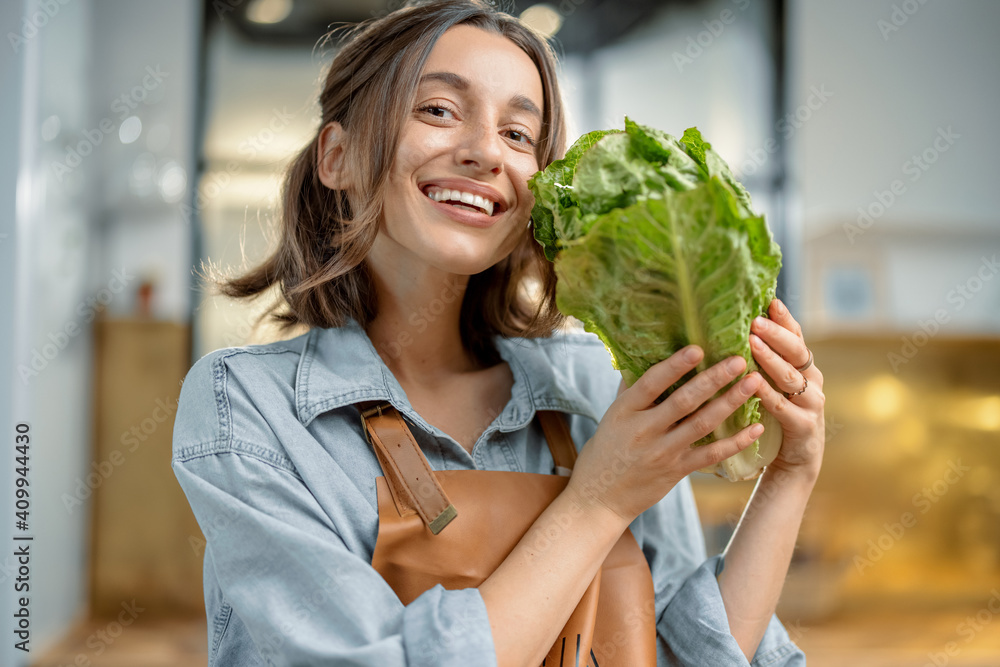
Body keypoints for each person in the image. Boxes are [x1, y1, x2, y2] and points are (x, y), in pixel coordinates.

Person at [171, 1, 824, 665]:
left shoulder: (592, 385)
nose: (486, 152)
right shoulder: (247, 406)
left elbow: (696, 653)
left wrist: (789, 474)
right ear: (336, 157)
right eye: (438, 110)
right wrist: (597, 501)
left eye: (518, 134)